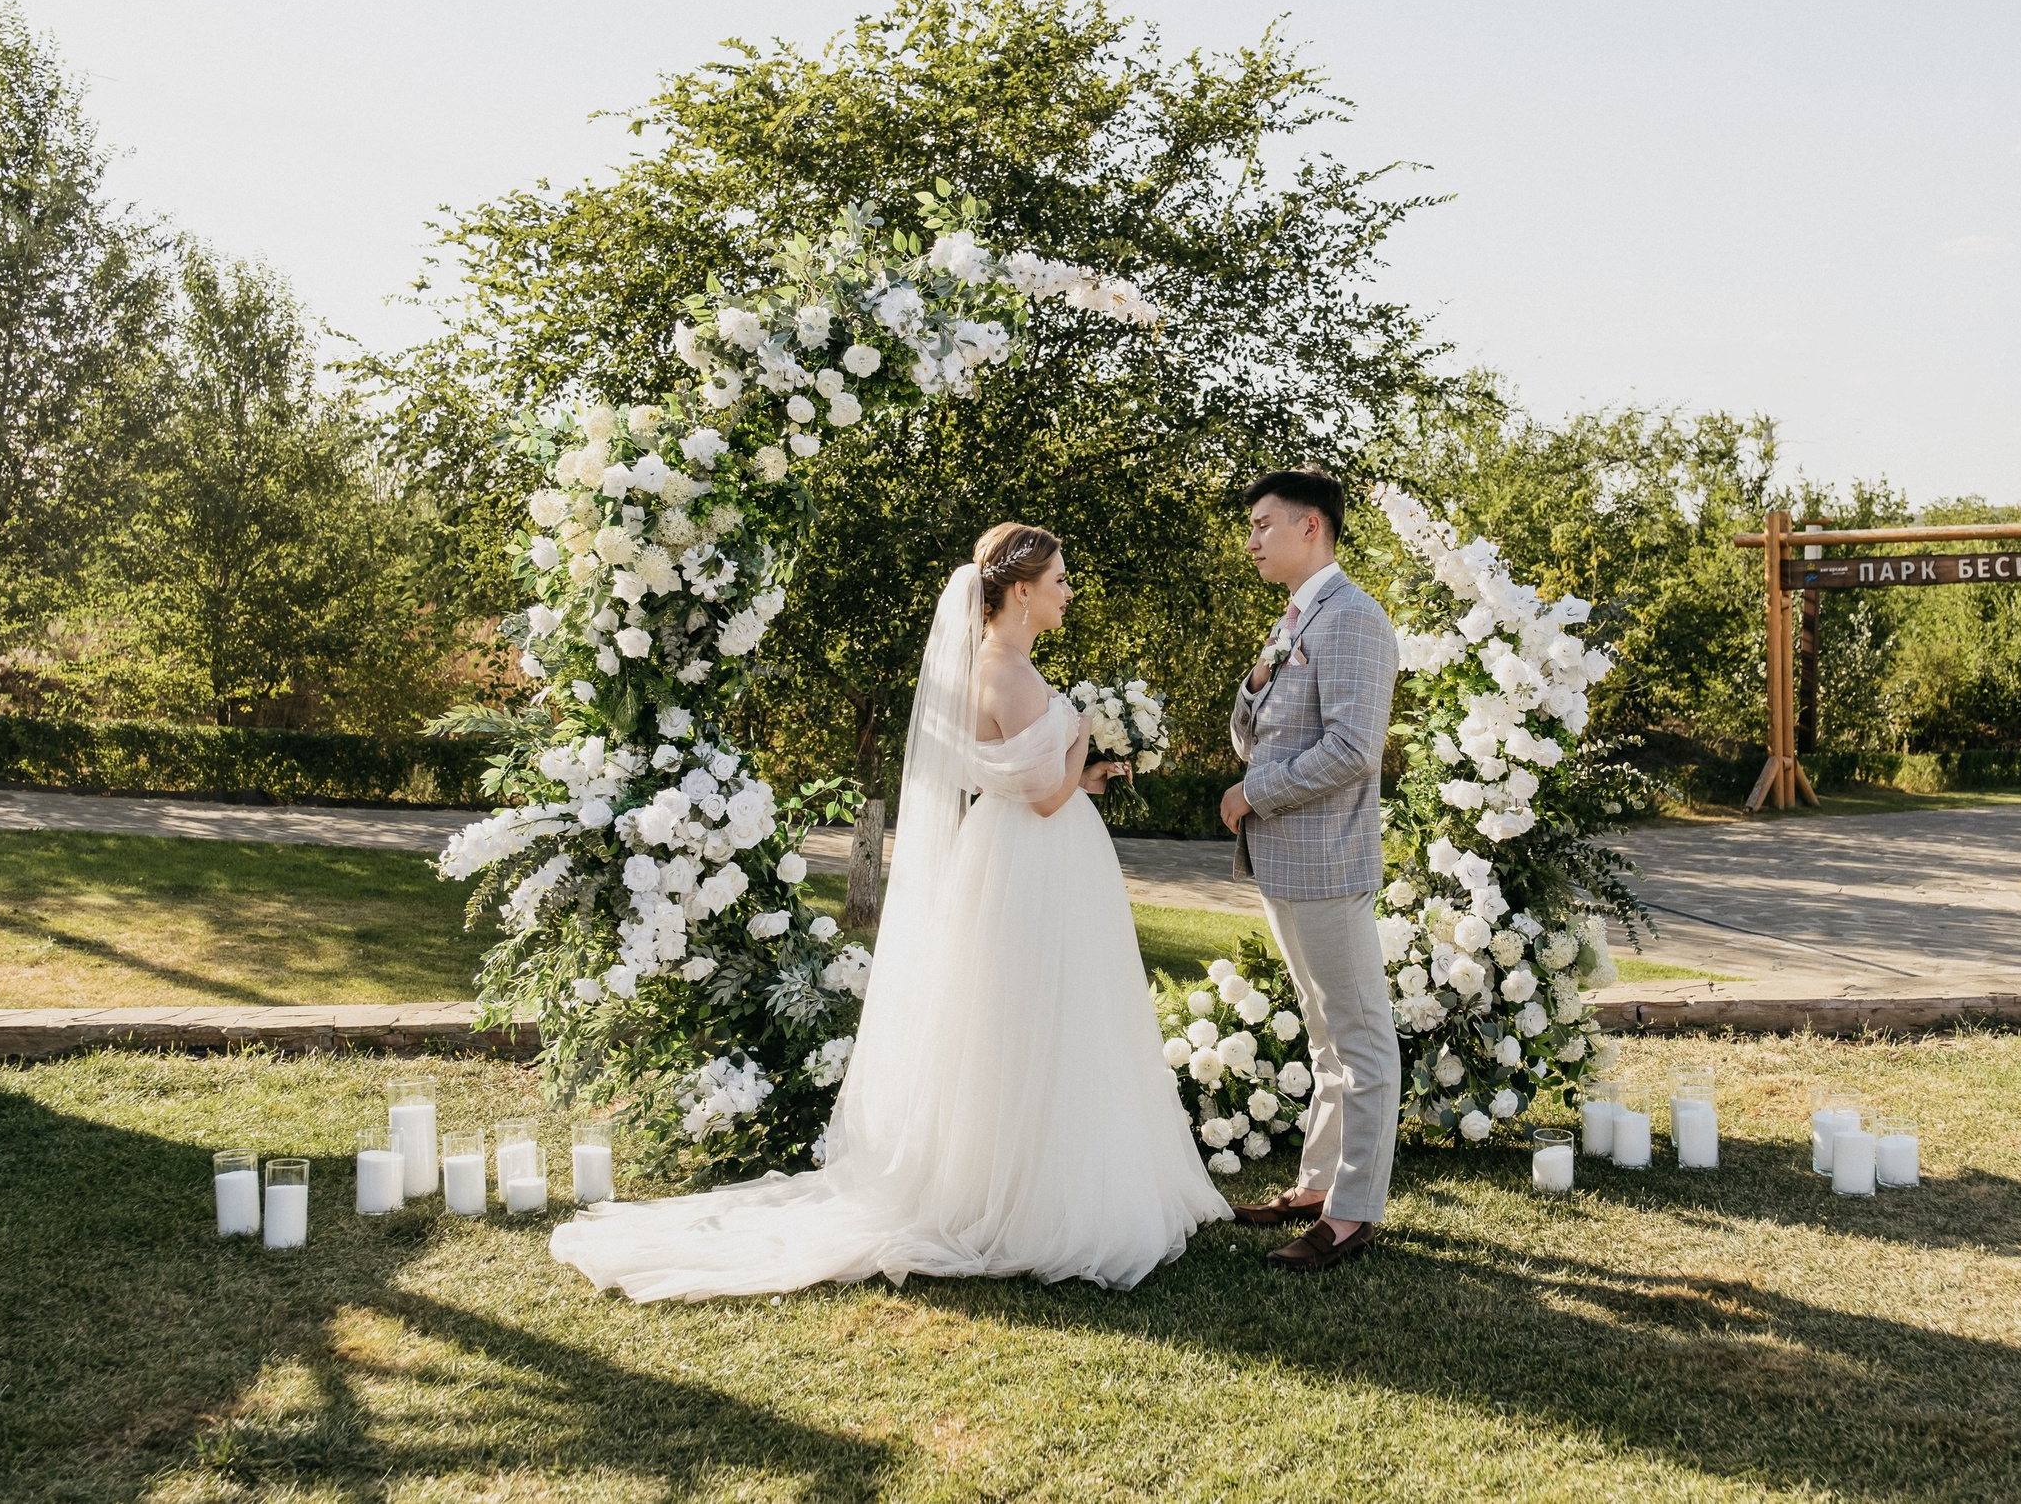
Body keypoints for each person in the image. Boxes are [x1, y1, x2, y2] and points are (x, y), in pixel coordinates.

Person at [550, 523, 1229, 1301]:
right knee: (1034, 1011)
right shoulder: (1003, 668)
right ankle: (1032, 1195)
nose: (1068, 591)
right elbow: (1042, 794)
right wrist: (1080, 733)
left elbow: (1033, 780)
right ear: (1020, 589)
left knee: (1049, 1011)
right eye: (1061, 579)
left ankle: (1049, 1163)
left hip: (1031, 854)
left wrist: (1086, 762)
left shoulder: (1011, 665)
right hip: (1028, 857)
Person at [1220, 469, 1400, 1272]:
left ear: (1311, 528)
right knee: (1325, 1035)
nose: (1252, 539)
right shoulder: (1295, 618)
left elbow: (1355, 750)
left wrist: (1255, 793)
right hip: (1285, 862)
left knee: (1360, 1039)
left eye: (1263, 524)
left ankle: (1354, 1212)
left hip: (1327, 859)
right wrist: (1254, 682)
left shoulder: (1354, 618)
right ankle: (1317, 1185)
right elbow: (1252, 729)